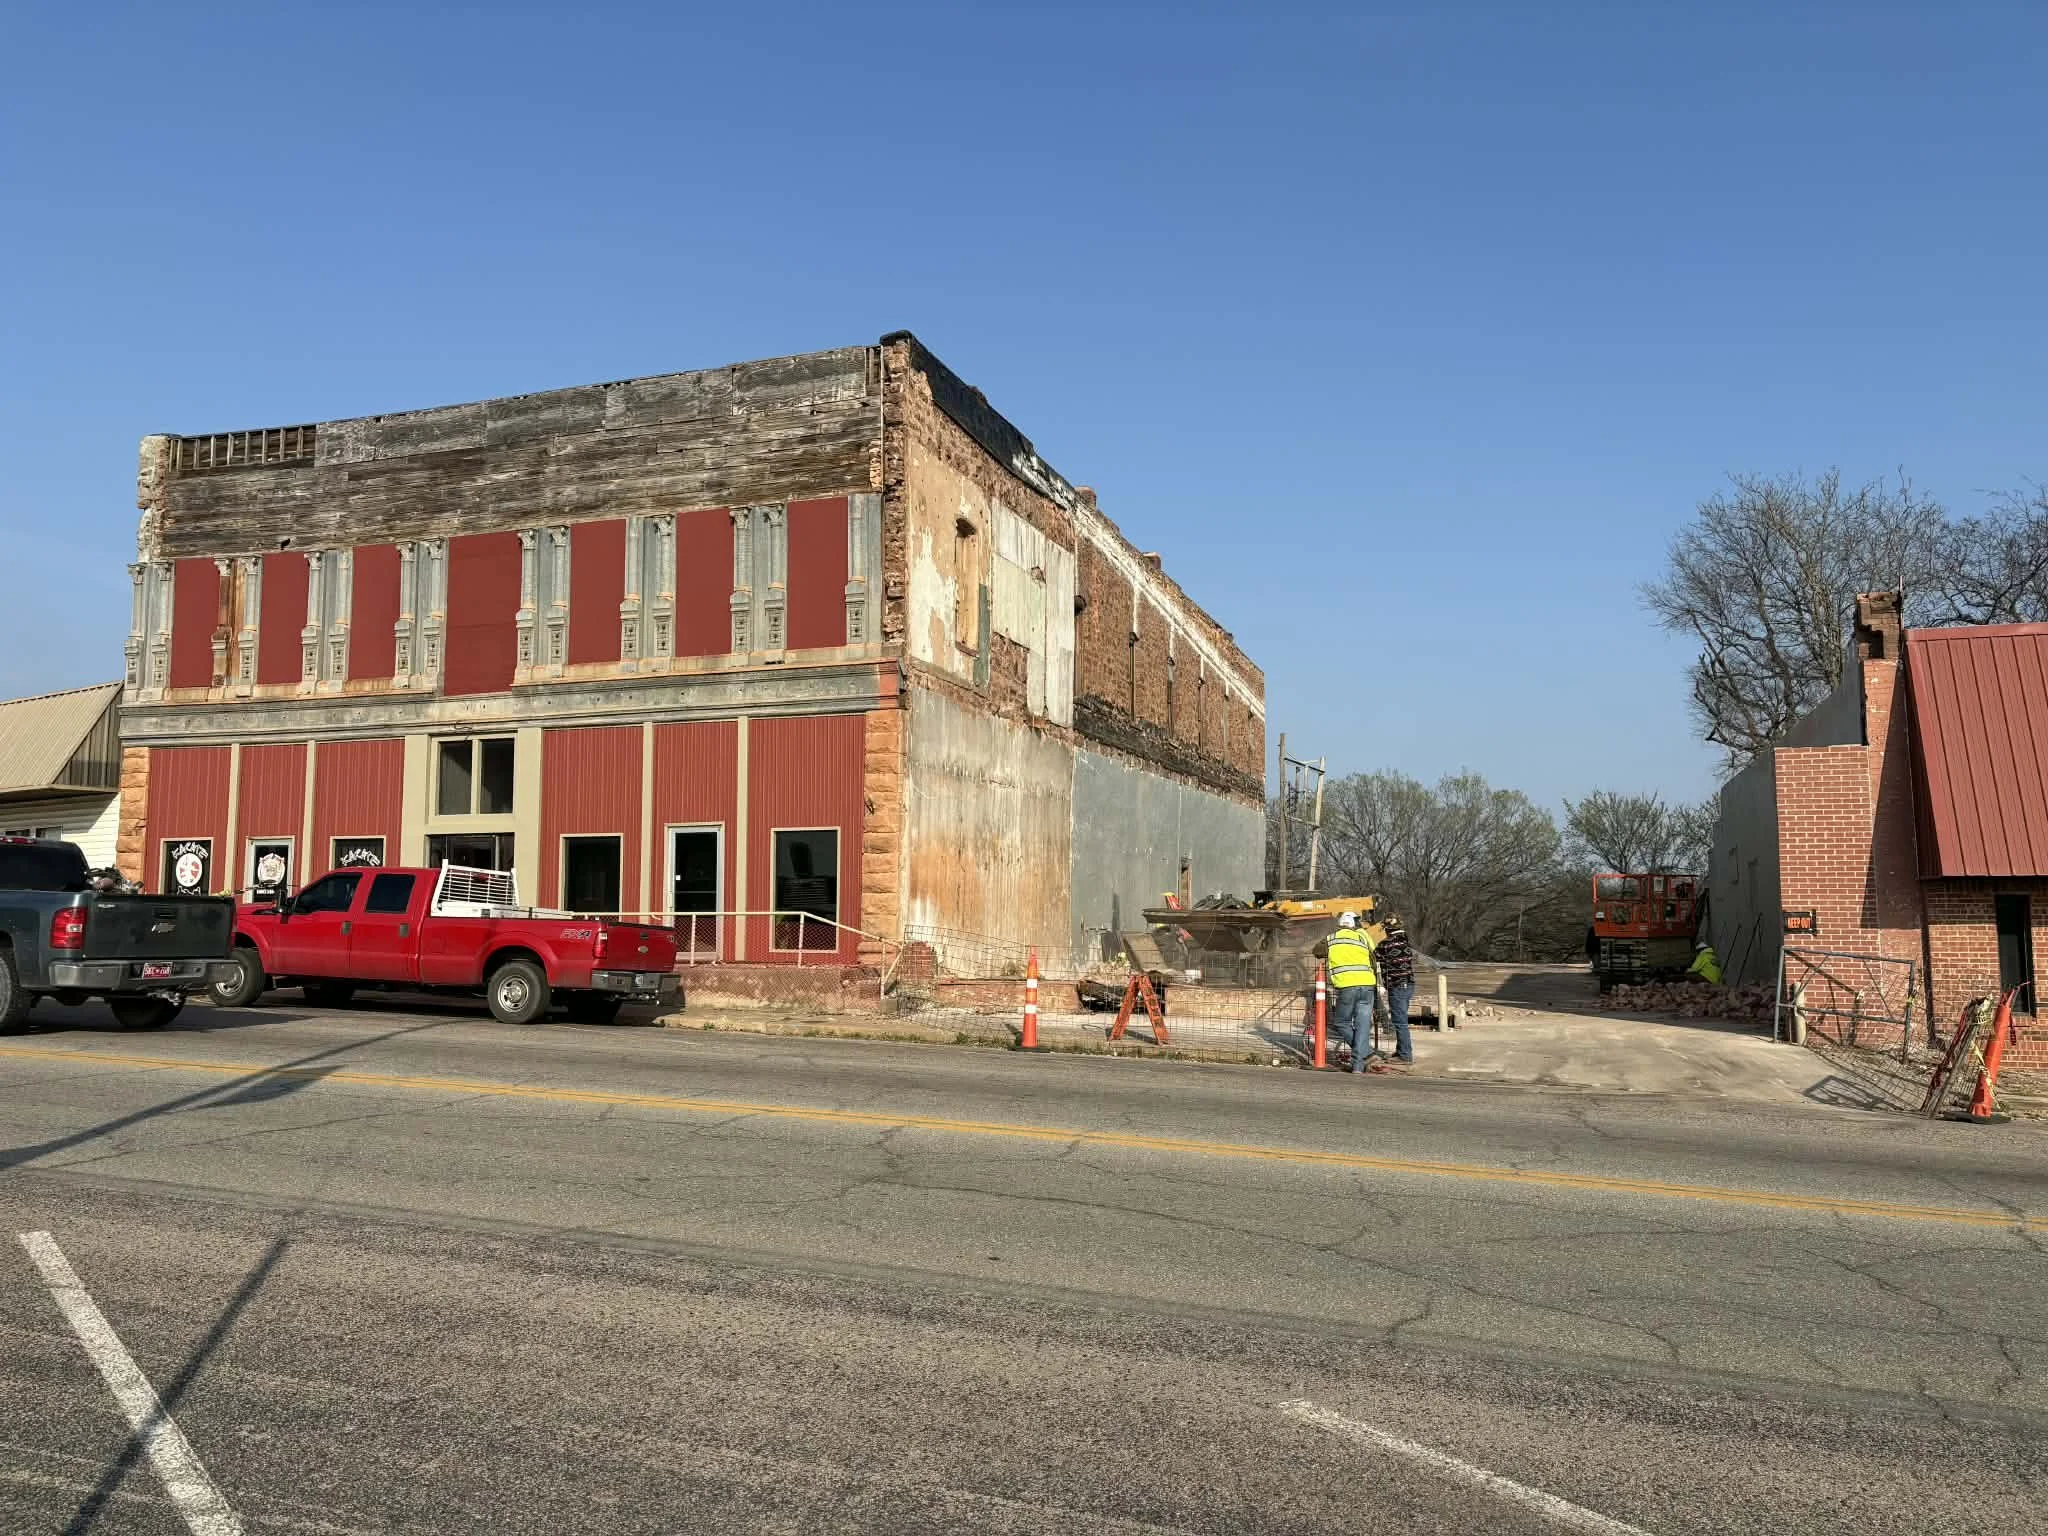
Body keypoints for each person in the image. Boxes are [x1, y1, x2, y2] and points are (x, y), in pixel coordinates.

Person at [1313, 911, 1378, 1073]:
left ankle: (1367, 1053)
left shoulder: (1331, 939)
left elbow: (1316, 951)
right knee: (1362, 1025)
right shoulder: (1362, 938)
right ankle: (1358, 1065)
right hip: (1368, 985)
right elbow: (1373, 960)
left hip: (1347, 986)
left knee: (1341, 1022)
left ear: (1340, 925)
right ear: (1354, 925)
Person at [1371, 914, 1417, 1065]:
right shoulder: (1406, 940)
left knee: (1400, 1022)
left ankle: (1405, 1055)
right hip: (1409, 984)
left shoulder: (1385, 944)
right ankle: (1401, 1050)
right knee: (1401, 1018)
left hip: (1397, 986)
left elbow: (1372, 956)